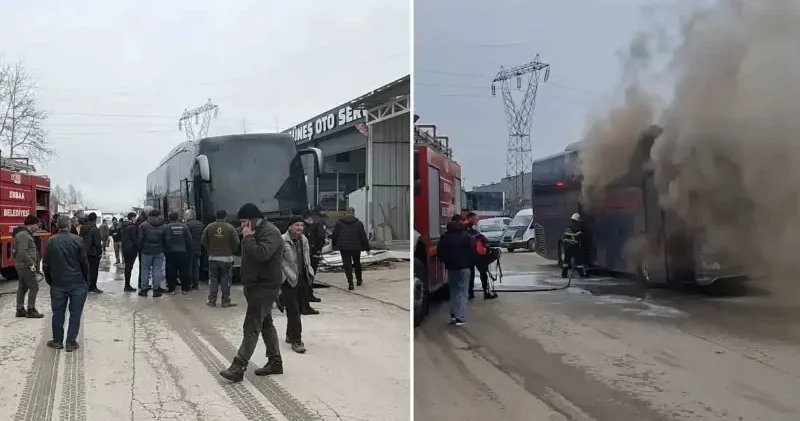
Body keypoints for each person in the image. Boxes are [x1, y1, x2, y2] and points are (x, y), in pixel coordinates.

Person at [219, 203, 284, 382]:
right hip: (254, 284)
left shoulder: (270, 232)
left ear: (253, 219)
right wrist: (242, 238)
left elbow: (262, 254)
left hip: (265, 285)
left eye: (244, 221)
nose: (243, 225)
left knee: (252, 325)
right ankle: (275, 361)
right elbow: (247, 252)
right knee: (265, 323)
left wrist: (248, 238)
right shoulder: (253, 231)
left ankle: (238, 366)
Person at [43, 215, 90, 352]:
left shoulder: (51, 241)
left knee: (58, 313)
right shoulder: (78, 240)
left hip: (58, 283)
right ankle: (71, 342)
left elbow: (46, 263)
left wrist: (49, 280)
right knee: (75, 313)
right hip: (77, 283)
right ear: (69, 225)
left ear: (57, 225)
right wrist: (86, 279)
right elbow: (84, 262)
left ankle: (57, 341)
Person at [280, 217, 315, 353]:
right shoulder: (282, 240)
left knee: (298, 309)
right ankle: (297, 340)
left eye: (301, 225)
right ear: (290, 227)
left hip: (303, 278)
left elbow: (307, 257)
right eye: (296, 225)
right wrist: (282, 276)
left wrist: (310, 272)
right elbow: (277, 260)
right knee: (293, 310)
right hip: (288, 279)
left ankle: (290, 334)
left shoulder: (304, 239)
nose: (300, 228)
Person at [436, 220, 475, 326]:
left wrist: (446, 262)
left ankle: (453, 315)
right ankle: (460, 317)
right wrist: (470, 262)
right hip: (465, 268)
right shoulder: (467, 237)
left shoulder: (444, 238)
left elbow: (440, 252)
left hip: (451, 268)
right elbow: (472, 251)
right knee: (463, 292)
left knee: (453, 291)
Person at [201, 209, 239, 307]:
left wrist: (209, 249)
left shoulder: (209, 227)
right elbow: (236, 242)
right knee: (226, 279)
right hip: (226, 259)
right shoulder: (230, 227)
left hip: (213, 258)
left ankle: (212, 300)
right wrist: (231, 250)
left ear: (216, 216)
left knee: (213, 279)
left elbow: (203, 240)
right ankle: (226, 301)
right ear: (225, 217)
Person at [331, 207, 370, 290]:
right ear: (354, 213)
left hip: (344, 248)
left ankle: (350, 283)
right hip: (356, 247)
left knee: (347, 265)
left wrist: (334, 246)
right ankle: (359, 280)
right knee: (357, 263)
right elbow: (363, 236)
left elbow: (334, 235)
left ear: (346, 213)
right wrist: (367, 248)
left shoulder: (339, 223)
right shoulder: (359, 223)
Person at [15, 215, 43, 318]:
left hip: (22, 266)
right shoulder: (24, 235)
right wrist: (31, 264)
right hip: (26, 266)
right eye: (36, 225)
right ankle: (31, 310)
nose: (37, 228)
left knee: (22, 288)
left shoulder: (24, 234)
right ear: (31, 225)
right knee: (34, 287)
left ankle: (20, 309)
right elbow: (22, 252)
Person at [464, 212, 497, 300]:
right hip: (476, 255)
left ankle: (471, 293)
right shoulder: (467, 228)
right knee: (481, 274)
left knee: (472, 275)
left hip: (472, 255)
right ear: (470, 218)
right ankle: (485, 292)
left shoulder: (468, 228)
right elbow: (481, 238)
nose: (477, 219)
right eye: (475, 218)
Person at [138, 209, 167, 297]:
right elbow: (166, 239)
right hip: (159, 251)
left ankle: (144, 290)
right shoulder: (163, 226)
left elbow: (140, 239)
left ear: (149, 215)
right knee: (157, 269)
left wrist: (140, 249)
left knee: (145, 270)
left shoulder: (143, 225)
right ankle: (156, 290)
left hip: (146, 251)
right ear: (159, 216)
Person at [164, 212, 193, 294]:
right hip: (183, 251)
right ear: (178, 217)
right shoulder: (184, 226)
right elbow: (189, 239)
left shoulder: (167, 227)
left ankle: (171, 289)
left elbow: (166, 239)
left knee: (171, 270)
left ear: (169, 218)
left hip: (171, 252)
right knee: (184, 270)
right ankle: (185, 289)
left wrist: (166, 249)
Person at [80, 212, 104, 293]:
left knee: (85, 270)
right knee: (94, 271)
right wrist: (100, 252)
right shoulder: (95, 229)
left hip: (83, 252)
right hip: (93, 254)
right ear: (95, 219)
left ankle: (85, 286)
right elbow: (97, 243)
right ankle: (93, 287)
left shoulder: (82, 228)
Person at [184, 209, 205, 291]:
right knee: (196, 267)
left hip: (189, 249)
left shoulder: (187, 225)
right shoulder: (200, 224)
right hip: (198, 248)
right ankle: (196, 285)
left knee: (189, 267)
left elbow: (186, 237)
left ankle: (190, 284)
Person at [561, 212, 587, 278]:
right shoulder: (577, 227)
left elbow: (565, 237)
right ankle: (582, 274)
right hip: (574, 246)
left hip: (566, 246)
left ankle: (564, 274)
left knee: (566, 261)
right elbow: (580, 236)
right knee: (579, 261)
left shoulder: (568, 227)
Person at [119, 212, 139, 292]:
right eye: (135, 217)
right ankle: (127, 286)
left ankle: (127, 284)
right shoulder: (132, 227)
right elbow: (135, 239)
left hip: (125, 248)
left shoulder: (123, 226)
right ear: (132, 218)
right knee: (129, 267)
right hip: (131, 249)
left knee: (127, 266)